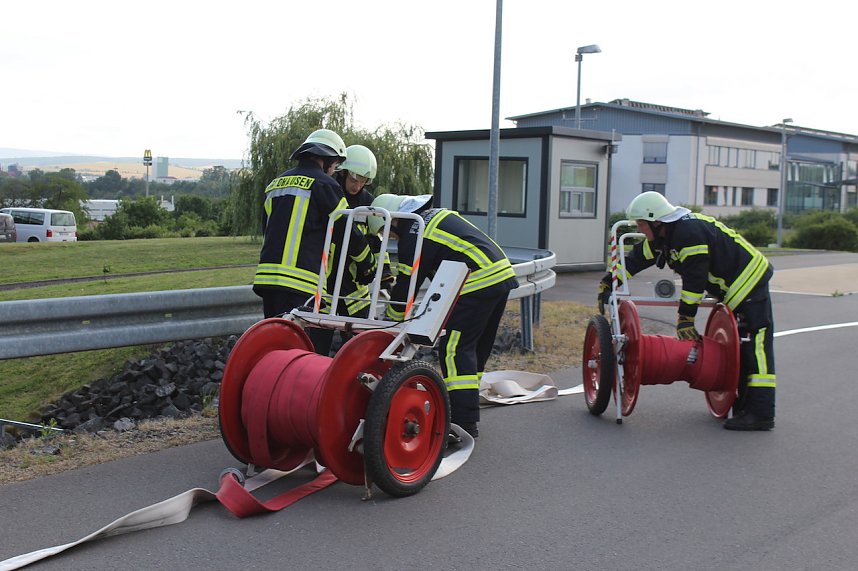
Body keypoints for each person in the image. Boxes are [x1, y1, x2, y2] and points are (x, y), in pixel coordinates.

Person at [598, 191, 776, 430]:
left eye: (641, 224)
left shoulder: (688, 234)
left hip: (749, 282)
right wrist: (610, 281)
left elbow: (695, 280)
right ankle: (745, 408)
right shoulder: (665, 237)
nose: (640, 230)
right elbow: (636, 259)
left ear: (656, 220)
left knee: (755, 344)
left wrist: (685, 319)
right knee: (743, 347)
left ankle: (761, 413)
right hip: (738, 287)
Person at [368, 193, 519, 439]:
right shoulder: (436, 216)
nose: (391, 238)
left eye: (388, 232)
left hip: (475, 282)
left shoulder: (414, 234)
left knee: (453, 348)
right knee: (475, 348)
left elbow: (407, 285)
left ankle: (462, 423)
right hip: (500, 275)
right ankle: (467, 407)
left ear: (393, 220)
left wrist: (390, 322)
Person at [252, 129, 376, 351]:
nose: (334, 171)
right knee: (305, 349)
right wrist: (368, 264)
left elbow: (267, 228)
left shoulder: (275, 184)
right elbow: (346, 230)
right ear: (328, 160)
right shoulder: (325, 185)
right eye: (335, 165)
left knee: (276, 345)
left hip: (267, 280)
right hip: (301, 284)